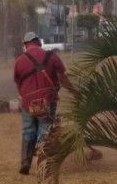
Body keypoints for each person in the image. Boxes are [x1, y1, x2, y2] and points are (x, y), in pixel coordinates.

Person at [13, 32, 74, 175]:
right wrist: (74, 91)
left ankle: (25, 162)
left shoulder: (19, 61)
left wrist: (25, 98)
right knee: (45, 131)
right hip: (47, 100)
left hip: (28, 102)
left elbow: (18, 83)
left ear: (26, 45)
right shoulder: (52, 56)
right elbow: (62, 78)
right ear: (38, 42)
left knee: (28, 130)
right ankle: (44, 164)